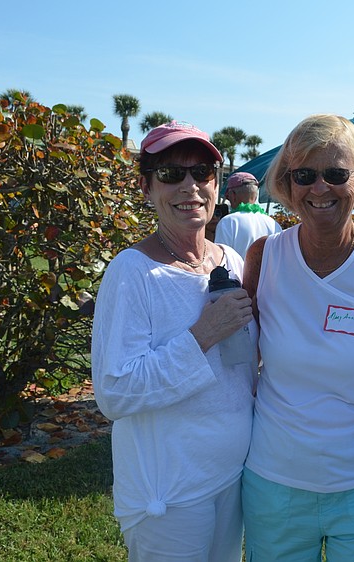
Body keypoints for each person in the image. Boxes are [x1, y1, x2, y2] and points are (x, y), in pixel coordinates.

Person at [240, 114, 354, 561]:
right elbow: (244, 356)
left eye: (335, 174)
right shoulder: (264, 257)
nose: (319, 188)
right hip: (275, 485)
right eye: (304, 175)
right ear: (287, 184)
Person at [91, 120, 257, 562]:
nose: (190, 186)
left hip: (233, 476)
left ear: (217, 185)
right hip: (168, 493)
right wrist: (202, 335)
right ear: (147, 187)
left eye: (201, 173)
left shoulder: (232, 260)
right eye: (170, 174)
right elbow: (114, 392)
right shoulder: (132, 272)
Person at [215, 171, 282, 258]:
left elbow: (220, 259)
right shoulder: (274, 224)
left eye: (228, 196)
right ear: (255, 196)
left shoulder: (228, 222)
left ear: (233, 195)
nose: (229, 200)